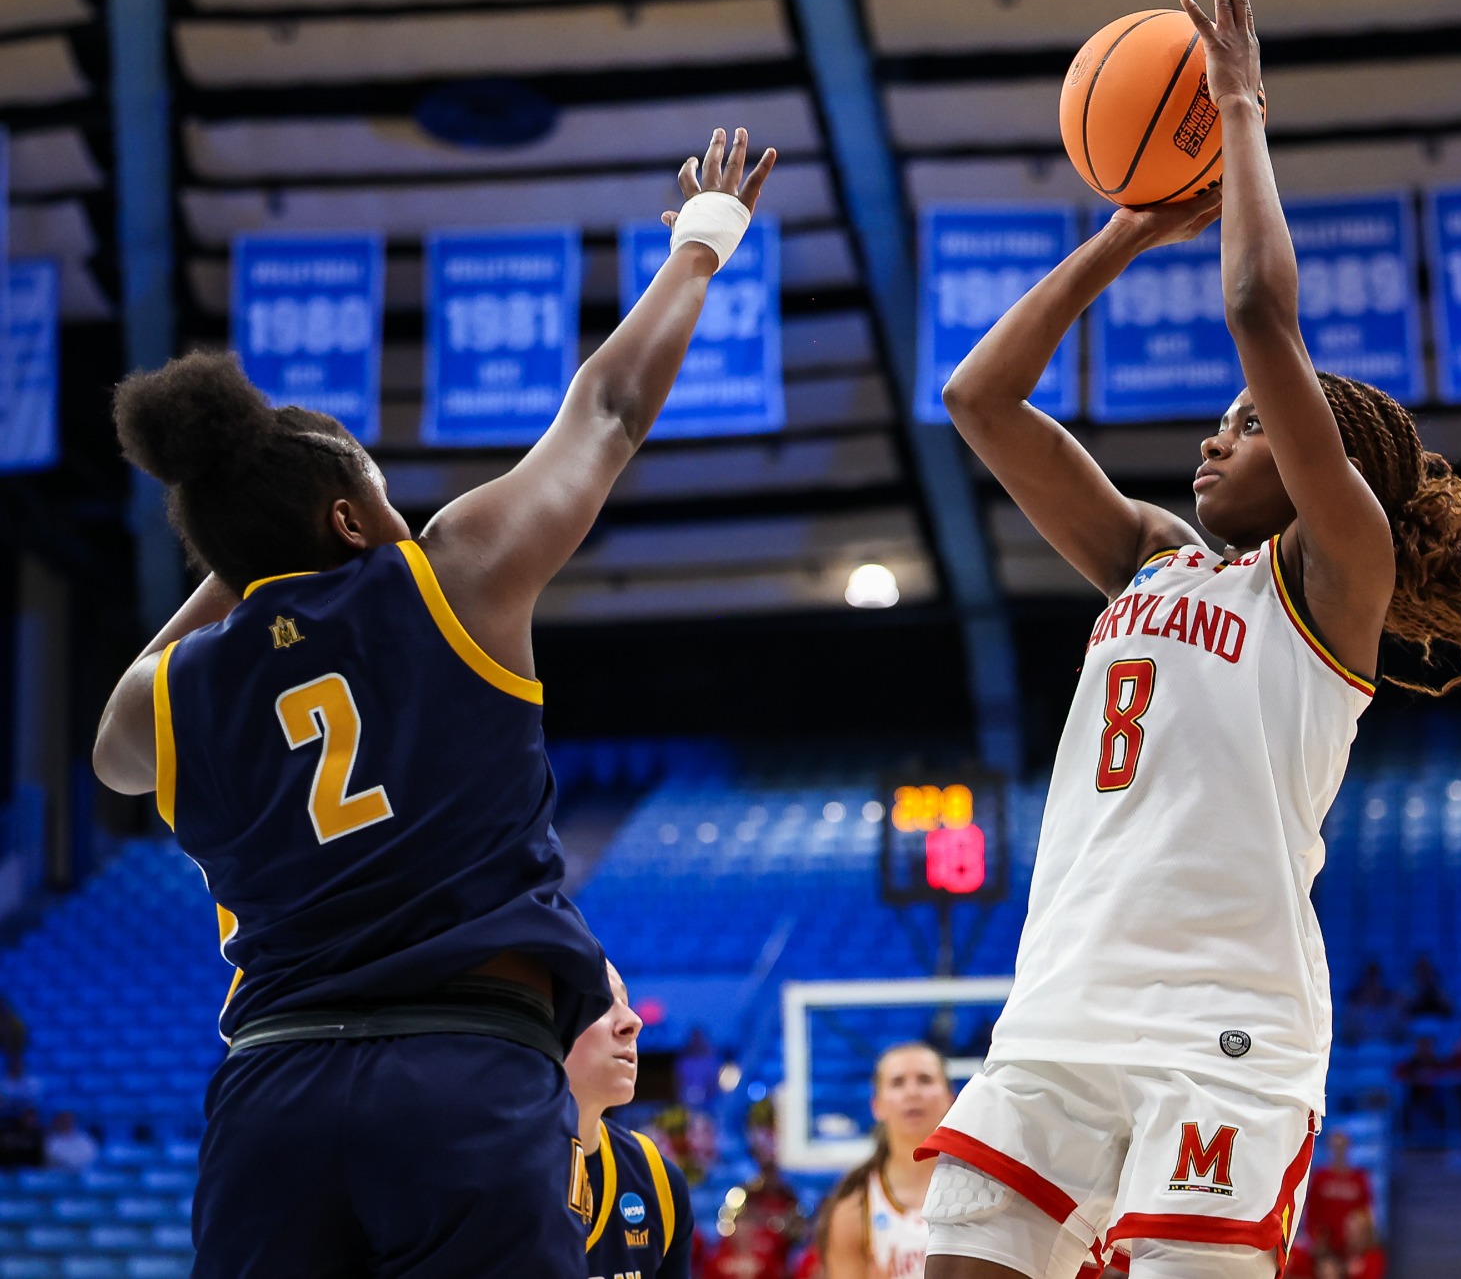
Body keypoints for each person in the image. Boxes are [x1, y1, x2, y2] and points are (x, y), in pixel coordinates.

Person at [911, 0, 1461, 1279]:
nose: (1212, 435)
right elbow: (980, 399)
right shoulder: (1149, 559)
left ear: (1319, 465)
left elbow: (1255, 308)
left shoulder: (1332, 575)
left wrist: (1237, 104)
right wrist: (1127, 230)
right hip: (1061, 1007)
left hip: (1224, 1029)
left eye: (1249, 426)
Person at [88, 129, 778, 1278]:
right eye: (378, 489)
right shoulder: (445, 578)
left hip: (270, 1092)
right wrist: (703, 243)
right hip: (460, 1075)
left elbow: (115, 734)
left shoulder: (165, 697)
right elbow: (605, 412)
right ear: (351, 521)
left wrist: (243, 554)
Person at [567, 962, 694, 1279]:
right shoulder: (482, 1173)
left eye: (626, 1001)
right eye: (602, 1002)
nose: (633, 1021)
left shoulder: (657, 1178)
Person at [817, 1043, 953, 1279]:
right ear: (876, 1106)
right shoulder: (854, 1208)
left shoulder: (984, 1187)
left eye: (925, 1079)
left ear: (950, 1098)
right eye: (897, 1082)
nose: (913, 1092)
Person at [1297, 1131, 1373, 1279]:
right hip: (1325, 1246)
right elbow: (1312, 1211)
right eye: (1335, 1146)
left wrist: (1361, 1244)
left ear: (1347, 1147)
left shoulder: (1359, 1179)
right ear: (1329, 1148)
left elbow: (1366, 1214)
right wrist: (1316, 1239)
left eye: (1341, 1146)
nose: (1338, 1150)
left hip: (1352, 1245)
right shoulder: (1321, 1177)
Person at [1342, 962, 1402, 1046]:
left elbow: (1399, 1033)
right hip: (1361, 1050)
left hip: (1387, 1050)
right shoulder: (1354, 1012)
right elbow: (1347, 1034)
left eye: (1375, 985)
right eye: (1370, 985)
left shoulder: (1392, 1012)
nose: (1373, 990)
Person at [1402, 954, 1455, 1021]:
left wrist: (1434, 992)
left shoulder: (1441, 990)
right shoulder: (1407, 992)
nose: (1424, 974)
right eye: (1421, 970)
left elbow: (1450, 1010)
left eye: (1426, 970)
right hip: (1414, 1028)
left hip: (1439, 1027)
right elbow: (1403, 1013)